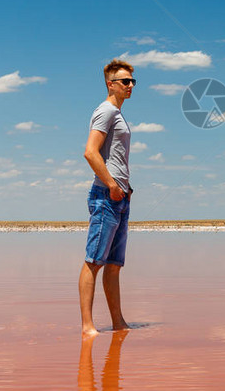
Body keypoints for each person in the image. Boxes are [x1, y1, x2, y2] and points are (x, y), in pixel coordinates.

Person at [79, 58, 136, 337]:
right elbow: (90, 152)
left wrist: (124, 188)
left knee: (113, 266)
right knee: (94, 261)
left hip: (120, 196)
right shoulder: (106, 111)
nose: (130, 86)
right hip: (106, 196)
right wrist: (112, 185)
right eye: (124, 81)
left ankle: (118, 322)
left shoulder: (118, 114)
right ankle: (88, 326)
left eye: (132, 81)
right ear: (110, 84)